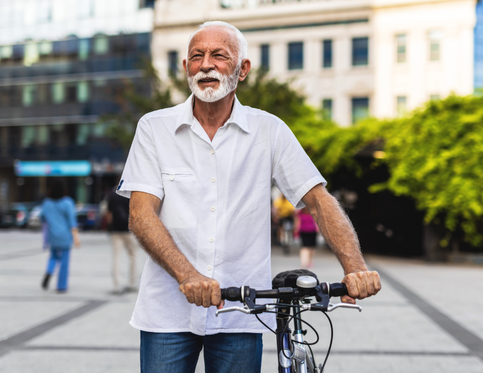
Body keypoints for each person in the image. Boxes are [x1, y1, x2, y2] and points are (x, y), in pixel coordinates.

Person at [116, 21, 381, 373]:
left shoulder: (268, 130)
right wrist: (187, 276)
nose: (206, 64)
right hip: (168, 311)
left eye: (219, 55)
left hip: (241, 313)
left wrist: (355, 269)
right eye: (196, 56)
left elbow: (318, 201)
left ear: (243, 70)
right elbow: (141, 214)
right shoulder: (154, 127)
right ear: (185, 69)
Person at [40, 179, 80, 293]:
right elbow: (72, 222)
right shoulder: (67, 202)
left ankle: (49, 270)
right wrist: (76, 238)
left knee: (53, 256)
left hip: (52, 236)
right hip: (65, 236)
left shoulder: (47, 202)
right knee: (64, 261)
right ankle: (61, 286)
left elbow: (42, 217)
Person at [106, 187, 138, 295]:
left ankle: (117, 285)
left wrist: (109, 227)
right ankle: (131, 283)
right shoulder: (132, 194)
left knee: (116, 257)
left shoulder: (112, 195)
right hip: (129, 230)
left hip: (116, 230)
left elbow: (109, 214)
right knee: (133, 256)